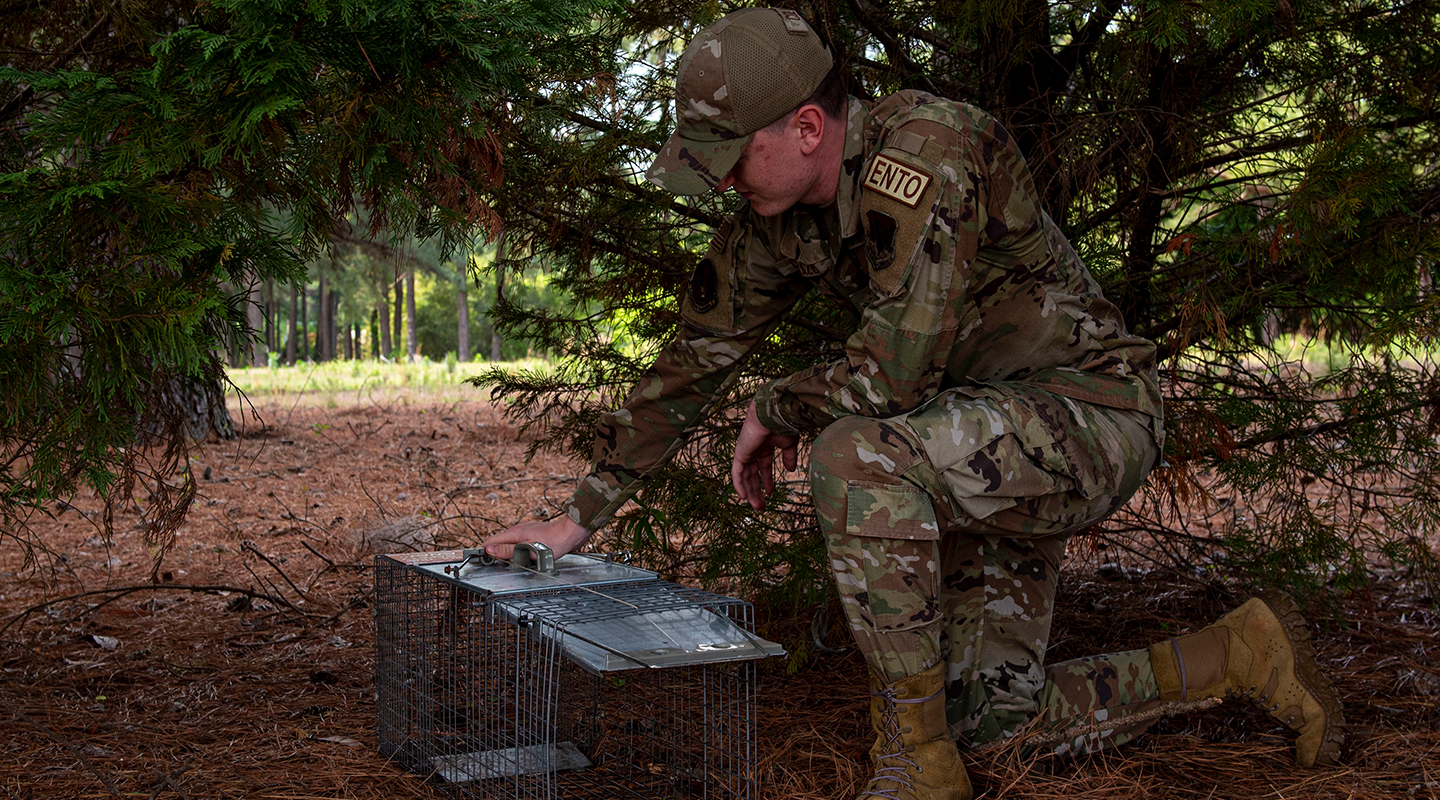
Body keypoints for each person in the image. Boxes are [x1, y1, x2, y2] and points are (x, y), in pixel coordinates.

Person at [482, 8, 1345, 799]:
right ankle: (1239, 653)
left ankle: (915, 769)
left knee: (854, 453)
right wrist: (574, 521)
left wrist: (778, 406)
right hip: (976, 447)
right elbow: (690, 363)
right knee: (992, 726)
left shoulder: (928, 148)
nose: (718, 184)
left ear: (808, 128)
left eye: (730, 156)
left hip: (1087, 412)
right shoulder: (775, 220)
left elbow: (894, 376)